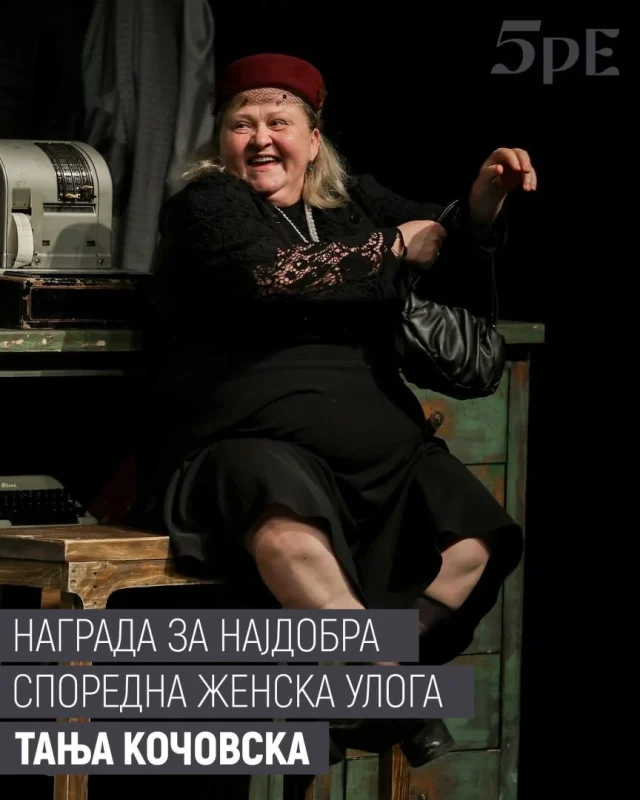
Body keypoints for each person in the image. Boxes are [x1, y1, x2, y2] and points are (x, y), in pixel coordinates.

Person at [132, 52, 537, 767]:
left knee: (474, 537)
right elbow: (270, 275)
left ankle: (363, 682)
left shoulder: (350, 206)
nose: (261, 138)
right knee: (285, 525)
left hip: (382, 453)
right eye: (242, 124)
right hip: (245, 441)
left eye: (278, 122)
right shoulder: (208, 204)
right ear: (221, 140)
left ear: (313, 139)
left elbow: (434, 240)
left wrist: (480, 205)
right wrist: (390, 248)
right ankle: (386, 689)